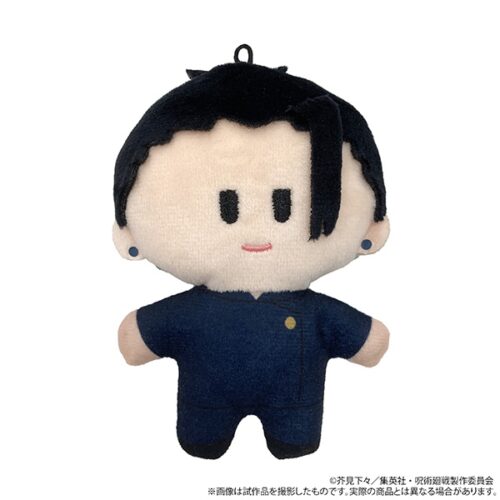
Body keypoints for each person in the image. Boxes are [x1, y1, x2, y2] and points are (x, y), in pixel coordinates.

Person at [113, 45, 390, 459]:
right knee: (204, 439)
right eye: (227, 207)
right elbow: (137, 342)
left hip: (293, 408)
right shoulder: (193, 312)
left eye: (285, 207)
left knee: (292, 441)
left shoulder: (311, 313)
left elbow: (365, 340)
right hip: (208, 406)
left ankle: (283, 434)